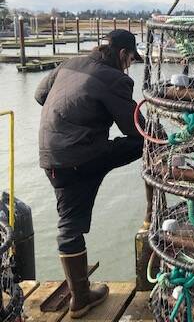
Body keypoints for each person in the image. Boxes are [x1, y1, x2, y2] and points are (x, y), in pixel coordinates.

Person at [34, 29, 144, 318]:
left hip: (50, 156)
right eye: (131, 59)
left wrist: (75, 111)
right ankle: (80, 299)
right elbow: (136, 128)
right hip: (81, 157)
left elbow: (39, 95)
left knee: (68, 223)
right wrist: (162, 139)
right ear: (123, 54)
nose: (129, 65)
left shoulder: (69, 63)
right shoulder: (115, 79)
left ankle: (81, 296)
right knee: (146, 142)